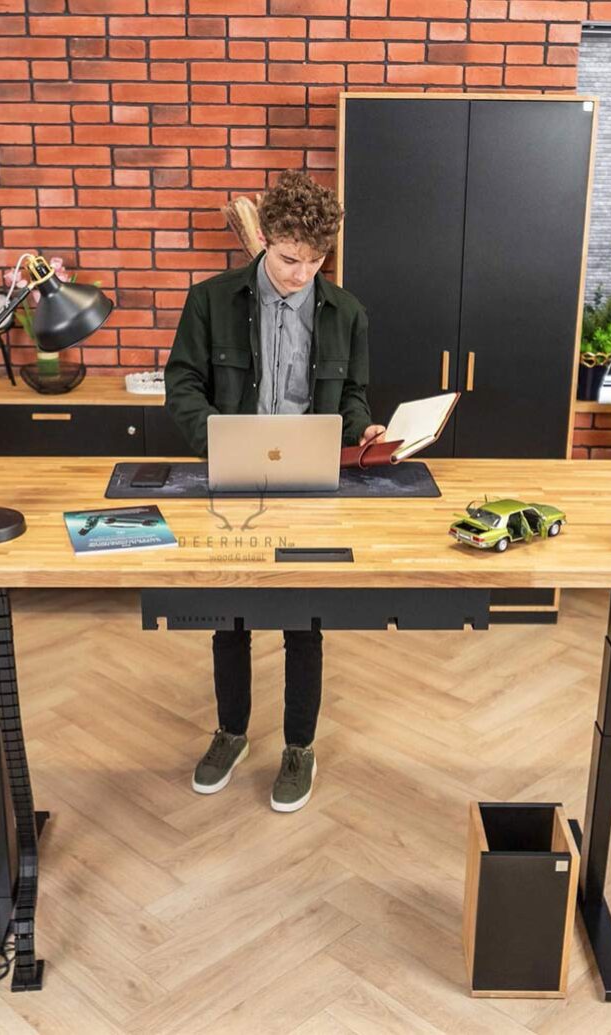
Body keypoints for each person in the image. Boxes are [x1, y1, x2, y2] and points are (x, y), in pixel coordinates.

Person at [164, 170, 385, 813]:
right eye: (290, 258)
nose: (300, 274)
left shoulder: (348, 313)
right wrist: (221, 440)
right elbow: (183, 388)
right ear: (265, 239)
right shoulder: (210, 301)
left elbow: (351, 397)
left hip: (309, 483)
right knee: (228, 620)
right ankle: (231, 734)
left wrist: (361, 427)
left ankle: (299, 748)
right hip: (232, 478)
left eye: (316, 261)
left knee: (302, 621)